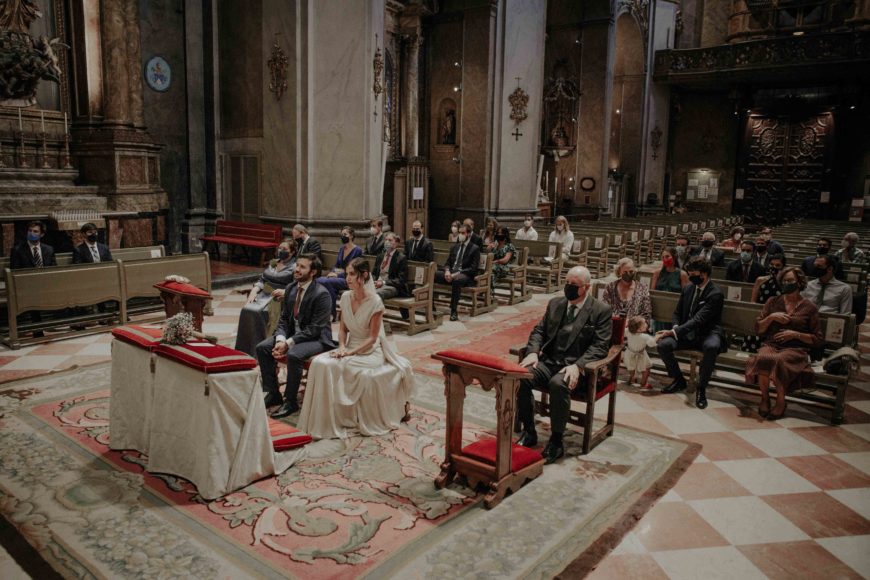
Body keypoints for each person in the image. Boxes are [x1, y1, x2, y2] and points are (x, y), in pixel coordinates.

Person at [298, 258, 414, 439]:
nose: (348, 278)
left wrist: (349, 353)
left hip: (369, 351)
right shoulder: (345, 297)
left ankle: (343, 418)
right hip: (349, 347)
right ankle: (324, 418)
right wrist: (342, 347)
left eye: (352, 274)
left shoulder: (375, 301)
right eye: (347, 274)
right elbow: (343, 330)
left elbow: (373, 338)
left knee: (336, 366)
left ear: (364, 275)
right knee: (320, 363)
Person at [516, 266, 612, 463]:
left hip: (575, 368)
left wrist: (579, 365)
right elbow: (539, 331)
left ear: (587, 287)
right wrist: (533, 352)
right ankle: (529, 431)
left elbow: (601, 346)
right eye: (567, 283)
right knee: (521, 376)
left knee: (558, 384)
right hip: (549, 362)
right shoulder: (555, 303)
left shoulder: (600, 310)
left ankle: (556, 441)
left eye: (574, 284)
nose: (568, 287)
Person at [256, 254, 337, 419]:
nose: (297, 269)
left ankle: (290, 401)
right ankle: (273, 393)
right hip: (293, 335)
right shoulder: (292, 288)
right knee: (262, 348)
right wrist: (280, 339)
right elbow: (284, 319)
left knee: (294, 355)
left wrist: (287, 343)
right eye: (297, 265)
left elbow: (315, 329)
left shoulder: (322, 294)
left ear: (313, 272)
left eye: (302, 267)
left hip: (317, 339)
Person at [747, 267, 822, 420]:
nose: (787, 284)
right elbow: (758, 329)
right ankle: (765, 398)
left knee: (779, 360)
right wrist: (771, 318)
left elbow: (817, 339)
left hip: (796, 348)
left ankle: (781, 401)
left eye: (790, 280)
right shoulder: (773, 301)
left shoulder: (810, 308)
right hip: (772, 344)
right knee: (763, 357)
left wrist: (795, 334)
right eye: (784, 281)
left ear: (799, 283)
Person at [655, 258, 726, 409]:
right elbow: (677, 312)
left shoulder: (716, 293)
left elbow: (698, 320)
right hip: (687, 332)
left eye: (693, 274)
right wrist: (675, 327)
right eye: (689, 273)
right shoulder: (688, 288)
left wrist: (674, 331)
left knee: (712, 347)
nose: (690, 276)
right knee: (663, 345)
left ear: (704, 274)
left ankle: (701, 388)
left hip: (707, 333)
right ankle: (678, 379)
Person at [234, 239, 297, 356]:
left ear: (292, 252)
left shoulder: (295, 266)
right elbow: (262, 280)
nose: (281, 251)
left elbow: (296, 285)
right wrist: (254, 290)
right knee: (246, 309)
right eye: (280, 248)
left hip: (279, 297)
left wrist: (285, 291)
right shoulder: (273, 262)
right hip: (264, 294)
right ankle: (244, 349)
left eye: (284, 249)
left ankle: (260, 350)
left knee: (259, 313)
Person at [11, 220, 57, 337]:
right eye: (30, 230)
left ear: (42, 234)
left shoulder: (49, 249)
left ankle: (71, 323)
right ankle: (37, 329)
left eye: (35, 231)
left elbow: (54, 269)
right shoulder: (18, 250)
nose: (32, 233)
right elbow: (15, 272)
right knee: (33, 294)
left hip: (46, 284)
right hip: (27, 286)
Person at [435, 223, 481, 321]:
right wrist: (447, 271)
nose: (460, 235)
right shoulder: (455, 247)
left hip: (465, 275)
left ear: (468, 234)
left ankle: (453, 311)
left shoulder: (474, 248)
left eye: (463, 233)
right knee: (434, 275)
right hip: (451, 273)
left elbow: (473, 269)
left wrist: (455, 274)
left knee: (456, 280)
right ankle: (431, 307)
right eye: (459, 233)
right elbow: (448, 263)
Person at [744, 253, 786, 352]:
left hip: (778, 319)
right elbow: (753, 302)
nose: (774, 267)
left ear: (783, 267)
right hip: (761, 315)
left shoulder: (785, 283)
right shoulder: (760, 280)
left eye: (778, 265)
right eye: (772, 264)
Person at [316, 226, 363, 313]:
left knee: (324, 281)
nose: (343, 236)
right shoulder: (342, 249)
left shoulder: (357, 250)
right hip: (339, 277)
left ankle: (331, 312)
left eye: (345, 234)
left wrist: (337, 274)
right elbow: (337, 265)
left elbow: (354, 269)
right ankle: (330, 312)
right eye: (342, 234)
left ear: (351, 236)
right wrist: (332, 272)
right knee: (322, 282)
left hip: (349, 279)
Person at [602, 257, 651, 325]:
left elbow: (646, 313)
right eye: (625, 272)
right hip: (614, 324)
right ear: (619, 272)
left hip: (634, 327)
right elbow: (605, 310)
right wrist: (617, 318)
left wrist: (632, 322)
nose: (628, 274)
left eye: (631, 271)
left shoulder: (642, 289)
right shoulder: (610, 287)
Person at [651, 247, 689, 332]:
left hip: (674, 310)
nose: (665, 259)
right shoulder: (657, 273)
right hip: (659, 309)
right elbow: (652, 293)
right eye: (663, 257)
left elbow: (686, 295)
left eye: (667, 256)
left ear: (674, 257)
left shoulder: (682, 274)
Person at [373, 232, 408, 300]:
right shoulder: (380, 256)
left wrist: (383, 282)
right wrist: (373, 281)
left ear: (396, 243)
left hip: (391, 286)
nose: (387, 242)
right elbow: (374, 274)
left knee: (375, 294)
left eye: (390, 240)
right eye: (386, 240)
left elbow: (401, 280)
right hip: (377, 284)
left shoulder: (401, 258)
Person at [624, 316, 657, 389]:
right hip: (641, 355)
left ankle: (632, 378)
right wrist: (657, 337)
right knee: (646, 368)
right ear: (639, 329)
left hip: (629, 354)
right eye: (644, 323)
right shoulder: (645, 336)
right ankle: (643, 383)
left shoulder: (628, 331)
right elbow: (652, 344)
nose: (646, 323)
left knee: (631, 368)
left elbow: (622, 331)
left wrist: (626, 324)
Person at [490, 226, 516, 291]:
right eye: (498, 233)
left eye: (501, 233)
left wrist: (496, 261)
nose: (499, 235)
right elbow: (489, 256)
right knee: (486, 270)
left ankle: (490, 290)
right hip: (492, 265)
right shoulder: (495, 244)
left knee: (491, 270)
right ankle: (484, 289)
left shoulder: (509, 246)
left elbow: (505, 260)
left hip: (503, 267)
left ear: (505, 234)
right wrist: (489, 248)